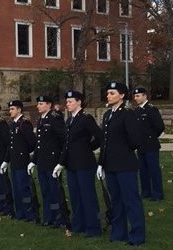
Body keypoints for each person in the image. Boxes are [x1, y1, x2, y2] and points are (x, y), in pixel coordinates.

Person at [97, 81, 145, 246]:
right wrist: (101, 163)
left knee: (131, 201)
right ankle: (119, 233)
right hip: (110, 165)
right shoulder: (107, 114)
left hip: (125, 165)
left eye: (112, 93)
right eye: (108, 93)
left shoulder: (128, 114)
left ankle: (137, 235)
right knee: (116, 201)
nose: (108, 96)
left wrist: (122, 151)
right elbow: (104, 141)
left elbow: (135, 140)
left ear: (122, 95)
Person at [53, 90, 102, 237]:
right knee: (75, 196)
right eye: (66, 102)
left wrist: (88, 148)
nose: (67, 104)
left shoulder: (86, 118)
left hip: (85, 163)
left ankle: (93, 227)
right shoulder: (69, 120)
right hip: (71, 164)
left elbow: (99, 136)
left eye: (70, 101)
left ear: (79, 102)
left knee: (87, 196)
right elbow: (67, 144)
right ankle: (79, 224)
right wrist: (61, 163)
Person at [28, 95, 66, 228]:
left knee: (54, 191)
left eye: (41, 104)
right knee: (45, 191)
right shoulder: (40, 120)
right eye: (38, 104)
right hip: (42, 162)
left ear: (49, 105)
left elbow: (63, 140)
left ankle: (59, 217)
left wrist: (61, 161)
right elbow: (39, 143)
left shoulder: (55, 119)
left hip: (52, 161)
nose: (38, 106)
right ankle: (48, 216)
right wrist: (34, 161)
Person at [0, 100, 37, 222]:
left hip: (22, 161)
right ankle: (20, 212)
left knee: (23, 188)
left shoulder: (24, 124)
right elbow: (10, 146)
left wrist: (25, 153)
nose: (10, 111)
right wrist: (6, 160)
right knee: (16, 188)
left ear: (19, 110)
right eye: (10, 109)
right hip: (14, 162)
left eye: (12, 109)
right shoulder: (12, 124)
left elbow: (32, 142)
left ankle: (29, 213)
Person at [133, 86, 165, 201]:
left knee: (153, 170)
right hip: (140, 146)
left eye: (138, 96)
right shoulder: (136, 111)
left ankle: (157, 193)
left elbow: (160, 126)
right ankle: (145, 191)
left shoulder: (151, 109)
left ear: (145, 96)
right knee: (142, 170)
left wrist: (151, 137)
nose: (135, 98)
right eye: (135, 96)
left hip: (151, 145)